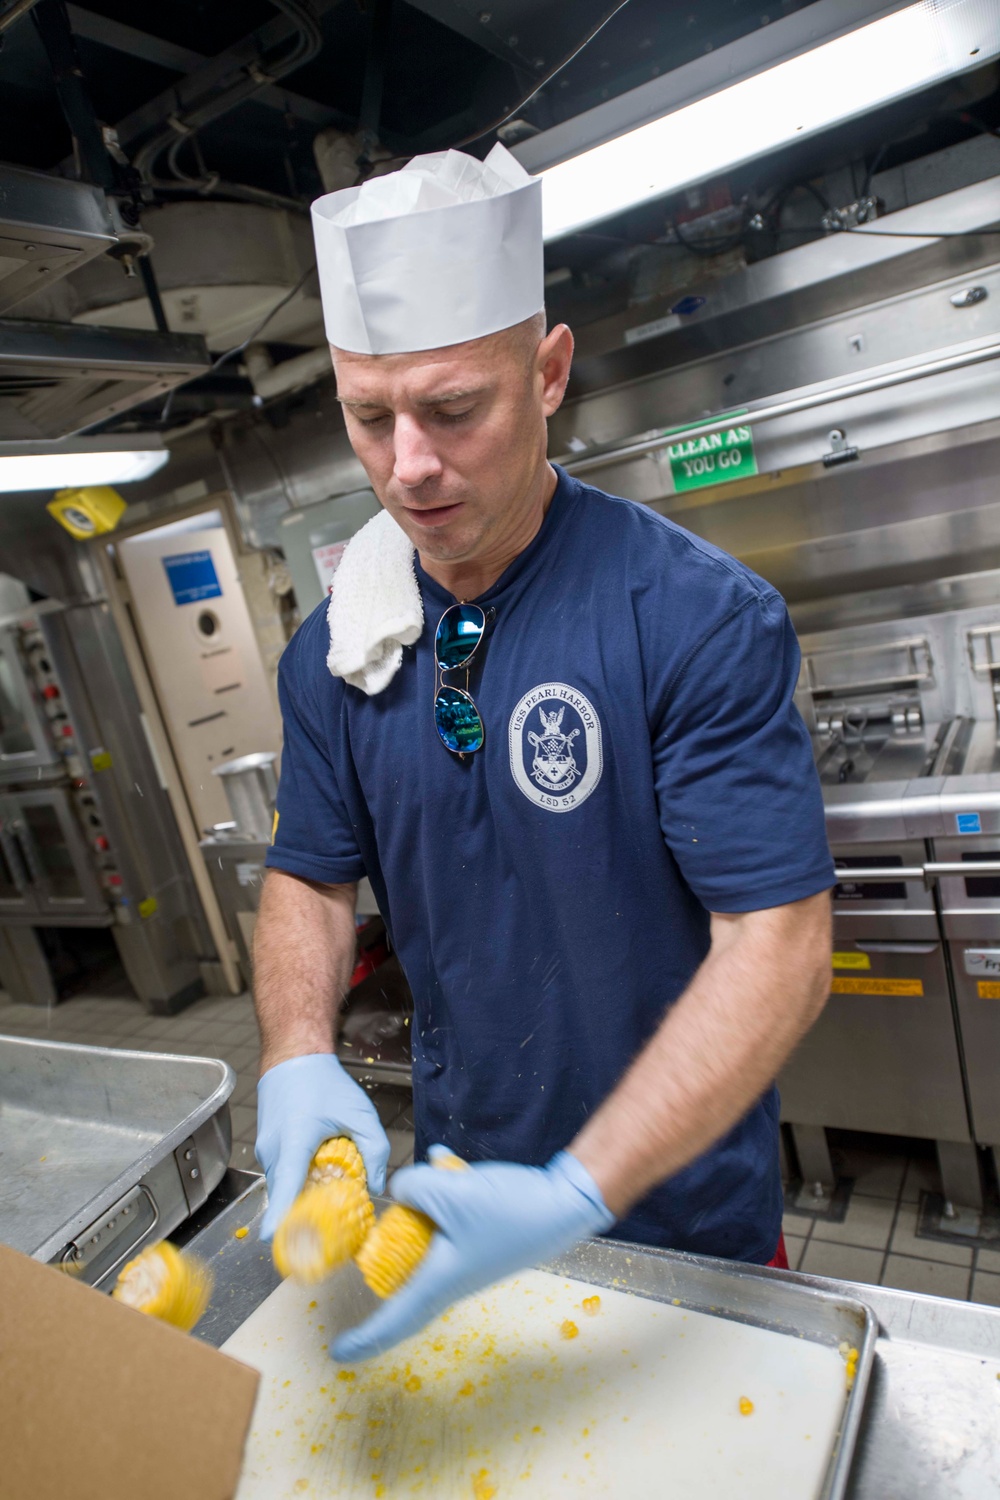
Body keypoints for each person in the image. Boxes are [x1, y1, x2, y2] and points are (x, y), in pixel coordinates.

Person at [253, 144, 834, 1363]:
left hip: (684, 1227)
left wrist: (582, 1186)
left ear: (550, 370)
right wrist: (297, 1054)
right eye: (371, 418)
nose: (408, 465)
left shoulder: (688, 615)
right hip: (450, 1210)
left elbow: (777, 948)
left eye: (454, 409)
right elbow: (310, 874)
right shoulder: (338, 652)